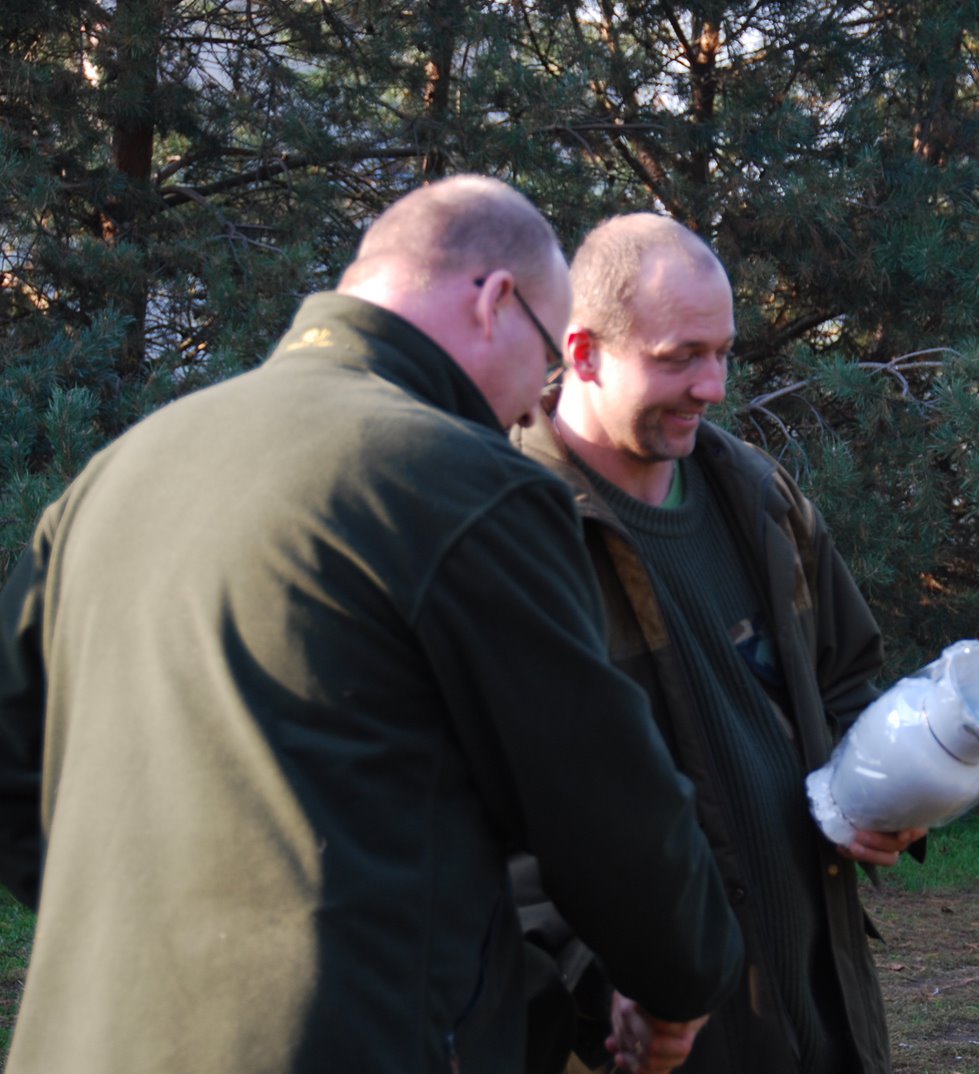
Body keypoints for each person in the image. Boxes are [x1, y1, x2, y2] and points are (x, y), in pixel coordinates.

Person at [0, 175, 741, 1074]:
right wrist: (678, 984)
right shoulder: (468, 486)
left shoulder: (112, 476)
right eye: (547, 361)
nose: (532, 407)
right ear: (496, 302)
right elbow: (607, 811)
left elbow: (15, 779)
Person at [509, 213, 921, 1074]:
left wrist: (884, 791)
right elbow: (479, 815)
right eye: (681, 357)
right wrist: (598, 987)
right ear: (583, 354)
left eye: (725, 352)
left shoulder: (761, 497)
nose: (715, 386)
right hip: (653, 1041)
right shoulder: (509, 529)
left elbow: (846, 677)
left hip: (823, 1020)